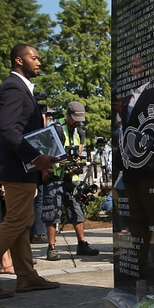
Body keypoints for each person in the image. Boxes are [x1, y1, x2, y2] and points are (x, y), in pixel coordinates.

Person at [0, 44, 60, 299]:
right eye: (33, 57)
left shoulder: (21, 88)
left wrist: (39, 164)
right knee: (15, 222)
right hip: (16, 167)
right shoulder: (13, 87)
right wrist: (37, 158)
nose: (39, 61)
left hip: (22, 167)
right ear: (18, 60)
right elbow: (10, 131)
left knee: (21, 221)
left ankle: (26, 276)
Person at [41, 101, 100, 261]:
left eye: (79, 119)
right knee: (52, 212)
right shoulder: (56, 128)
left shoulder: (79, 132)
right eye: (74, 118)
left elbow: (78, 154)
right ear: (67, 115)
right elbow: (46, 150)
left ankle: (82, 244)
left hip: (70, 178)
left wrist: (77, 165)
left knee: (76, 210)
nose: (76, 122)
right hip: (54, 176)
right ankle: (51, 247)